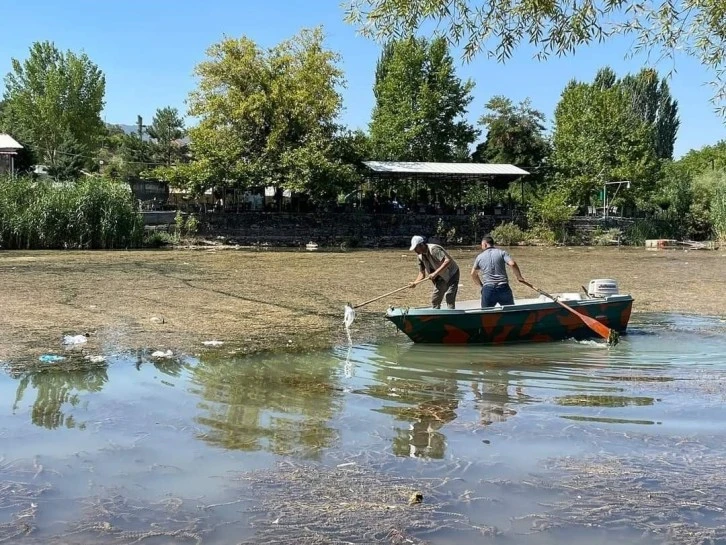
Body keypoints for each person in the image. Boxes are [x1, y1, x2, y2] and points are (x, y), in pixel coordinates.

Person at [471, 235, 525, 308]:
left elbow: (473, 274)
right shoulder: (502, 253)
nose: (482, 247)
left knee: (486, 315)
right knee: (510, 313)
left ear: (485, 244)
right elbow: (512, 264)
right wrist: (519, 277)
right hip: (503, 288)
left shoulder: (479, 257)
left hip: (488, 289)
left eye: (482, 245)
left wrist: (481, 285)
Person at [409, 235, 460, 309]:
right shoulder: (420, 257)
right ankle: (436, 316)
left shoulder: (434, 249)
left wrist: (435, 273)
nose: (415, 251)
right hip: (440, 276)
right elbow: (421, 274)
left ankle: (451, 315)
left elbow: (447, 260)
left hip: (452, 273)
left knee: (449, 296)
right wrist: (415, 283)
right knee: (435, 299)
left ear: (422, 245)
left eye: (416, 248)